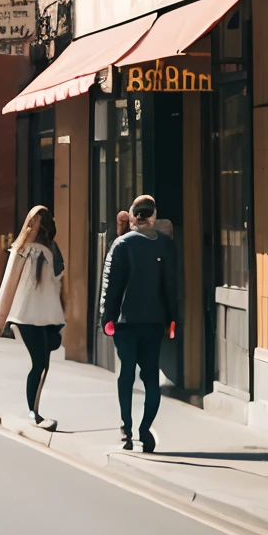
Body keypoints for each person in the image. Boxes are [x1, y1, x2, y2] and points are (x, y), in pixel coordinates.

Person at [99, 193, 179, 452]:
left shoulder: (121, 244)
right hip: (154, 322)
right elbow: (171, 286)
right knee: (150, 377)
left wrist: (106, 317)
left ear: (133, 215)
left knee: (126, 374)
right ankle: (145, 430)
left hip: (125, 321)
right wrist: (172, 319)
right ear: (154, 217)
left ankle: (127, 428)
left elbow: (110, 285)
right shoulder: (165, 245)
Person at [5, 207, 65, 430]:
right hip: (47, 315)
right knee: (42, 363)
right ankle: (34, 410)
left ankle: (34, 409)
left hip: (24, 315)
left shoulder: (20, 249)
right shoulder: (51, 250)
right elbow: (59, 276)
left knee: (38, 363)